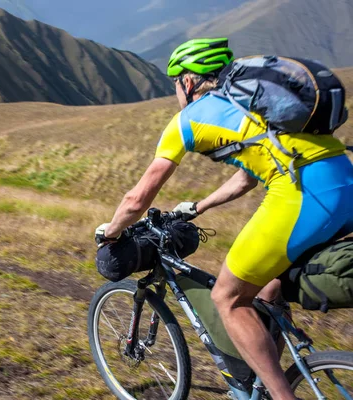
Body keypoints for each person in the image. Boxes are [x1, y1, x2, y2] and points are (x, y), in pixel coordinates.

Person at [95, 38, 353, 400]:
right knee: (267, 288)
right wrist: (199, 206)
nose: (176, 93)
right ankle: (264, 380)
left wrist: (112, 231)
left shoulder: (186, 122)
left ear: (186, 82)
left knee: (227, 297)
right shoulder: (251, 105)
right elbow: (248, 175)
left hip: (303, 197)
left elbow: (137, 199)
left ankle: (280, 396)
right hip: (344, 184)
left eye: (175, 85)